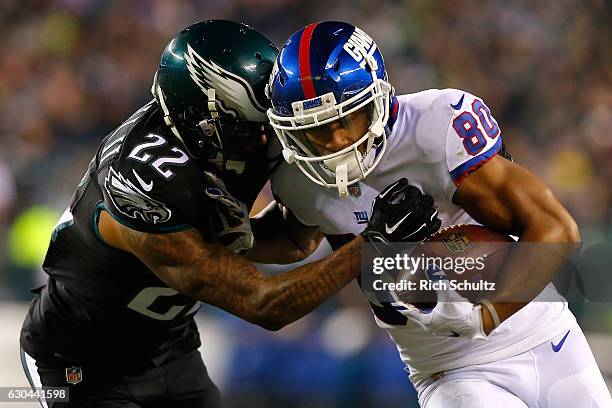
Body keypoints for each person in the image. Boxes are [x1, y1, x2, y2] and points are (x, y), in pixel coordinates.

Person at [19, 19, 440, 408]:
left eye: (270, 124)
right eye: (250, 129)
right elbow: (261, 305)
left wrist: (251, 233)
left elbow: (296, 241)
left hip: (170, 348)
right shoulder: (145, 182)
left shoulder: (242, 133)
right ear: (198, 122)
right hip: (79, 360)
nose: (266, 141)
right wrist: (369, 246)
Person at [266, 21, 612, 407]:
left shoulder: (437, 126)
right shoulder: (299, 180)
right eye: (317, 131)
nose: (336, 142)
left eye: (345, 120)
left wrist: (485, 317)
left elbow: (556, 228)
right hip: (447, 369)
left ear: (375, 100)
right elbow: (283, 243)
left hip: (541, 334)